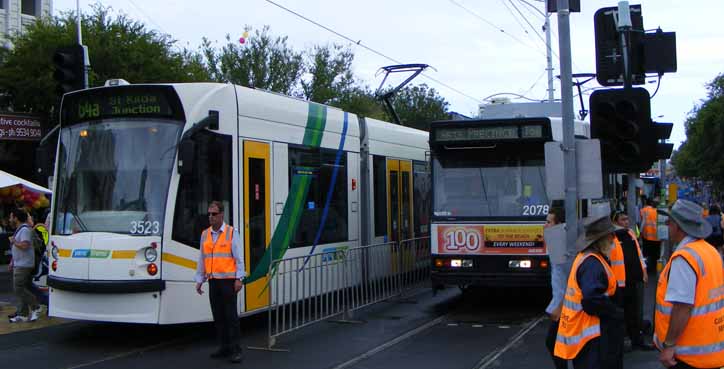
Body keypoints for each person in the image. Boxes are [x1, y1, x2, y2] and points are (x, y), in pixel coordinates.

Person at [654, 199, 724, 369]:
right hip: (712, 346)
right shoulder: (710, 251)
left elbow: (682, 307)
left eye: (669, 222)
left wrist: (669, 346)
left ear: (678, 226)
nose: (668, 226)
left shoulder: (684, 258)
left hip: (688, 354)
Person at [554, 214, 624, 369]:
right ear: (601, 240)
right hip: (592, 339)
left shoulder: (587, 258)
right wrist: (616, 312)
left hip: (585, 337)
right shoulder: (592, 264)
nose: (614, 239)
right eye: (611, 236)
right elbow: (591, 300)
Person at [194, 201, 245, 364]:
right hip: (213, 281)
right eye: (209, 214)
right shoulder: (205, 234)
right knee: (219, 317)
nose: (210, 217)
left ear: (222, 215)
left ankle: (236, 350)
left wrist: (239, 278)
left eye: (214, 214)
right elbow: (202, 259)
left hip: (228, 282)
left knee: (231, 317)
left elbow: (239, 258)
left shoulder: (231, 232)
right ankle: (224, 347)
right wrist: (199, 280)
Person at [612, 211, 653, 351]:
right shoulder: (612, 237)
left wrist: (644, 271)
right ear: (615, 221)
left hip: (632, 280)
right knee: (620, 314)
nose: (626, 222)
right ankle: (622, 342)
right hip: (618, 283)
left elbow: (638, 253)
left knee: (633, 312)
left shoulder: (630, 234)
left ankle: (636, 340)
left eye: (627, 219)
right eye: (623, 219)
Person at [543, 206, 568, 369]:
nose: (545, 225)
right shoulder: (556, 243)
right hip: (562, 306)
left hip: (564, 308)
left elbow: (566, 281)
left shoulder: (561, 247)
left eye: (548, 222)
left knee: (553, 343)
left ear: (558, 225)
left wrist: (558, 307)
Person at [7, 208, 40, 323]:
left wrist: (13, 241)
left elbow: (25, 246)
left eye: (11, 216)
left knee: (18, 288)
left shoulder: (25, 230)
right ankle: (23, 314)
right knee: (22, 288)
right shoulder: (20, 229)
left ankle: (36, 306)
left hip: (24, 264)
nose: (10, 219)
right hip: (19, 263)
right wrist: (12, 262)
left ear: (16, 218)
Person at [640, 198, 661, 274]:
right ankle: (655, 269)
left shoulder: (645, 211)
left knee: (647, 254)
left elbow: (642, 222)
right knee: (656, 255)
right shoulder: (660, 212)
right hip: (657, 238)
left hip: (647, 237)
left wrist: (640, 233)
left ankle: (648, 269)